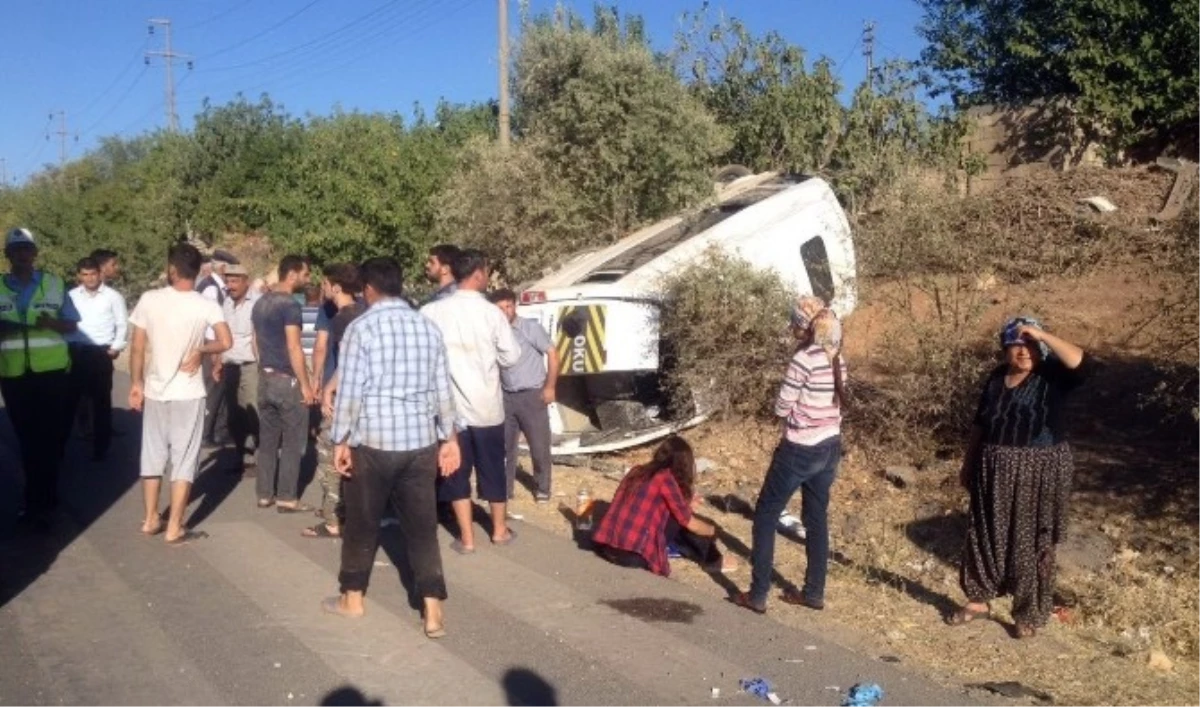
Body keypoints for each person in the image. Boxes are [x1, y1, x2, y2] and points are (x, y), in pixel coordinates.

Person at [324, 256, 460, 640]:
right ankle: (432, 610)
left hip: (373, 443)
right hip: (420, 444)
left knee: (362, 524)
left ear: (367, 289)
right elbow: (442, 390)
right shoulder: (427, 328)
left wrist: (341, 440)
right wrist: (449, 438)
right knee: (421, 529)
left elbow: (350, 392)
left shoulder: (360, 329)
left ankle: (353, 599)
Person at [948, 317, 1090, 638]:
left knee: (1029, 541)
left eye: (1031, 346)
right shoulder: (997, 378)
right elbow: (980, 424)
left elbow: (1079, 360)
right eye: (1017, 345)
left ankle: (1028, 612)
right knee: (984, 533)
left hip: (1039, 469)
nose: (1024, 352)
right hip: (993, 465)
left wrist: (1040, 333)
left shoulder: (1052, 375)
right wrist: (968, 463)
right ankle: (978, 600)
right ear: (1005, 349)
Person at [734, 296, 846, 614]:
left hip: (799, 447)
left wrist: (786, 409)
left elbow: (782, 405)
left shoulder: (803, 359)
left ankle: (757, 595)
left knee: (766, 514)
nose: (792, 328)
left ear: (804, 325)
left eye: (794, 322)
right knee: (816, 519)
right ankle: (813, 593)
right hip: (830, 446)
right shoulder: (836, 356)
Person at [128, 242, 231, 544]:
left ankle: (150, 519)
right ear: (199, 271)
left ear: (172, 269)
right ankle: (174, 526)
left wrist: (136, 384)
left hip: (156, 390)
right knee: (184, 459)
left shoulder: (149, 299)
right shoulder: (205, 305)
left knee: (152, 456)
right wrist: (202, 349)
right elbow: (224, 341)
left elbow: (137, 347)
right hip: (188, 392)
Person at [421, 249, 521, 552]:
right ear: (478, 273)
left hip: (449, 411)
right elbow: (511, 357)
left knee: (455, 471)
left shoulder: (431, 312)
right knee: (493, 468)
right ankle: (499, 530)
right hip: (487, 407)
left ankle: (466, 538)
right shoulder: (492, 313)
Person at [0, 228, 80, 528]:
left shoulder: (54, 283)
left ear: (34, 254)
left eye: (26, 249)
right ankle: (40, 499)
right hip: (13, 374)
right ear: (8, 255)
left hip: (51, 373)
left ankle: (41, 501)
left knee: (48, 439)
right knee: (28, 440)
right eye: (16, 249)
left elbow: (72, 325)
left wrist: (52, 323)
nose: (22, 254)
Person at [592, 436, 735, 576]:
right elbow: (690, 523)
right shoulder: (665, 479)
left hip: (607, 546)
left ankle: (700, 554)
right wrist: (713, 531)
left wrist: (686, 505)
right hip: (634, 554)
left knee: (678, 517)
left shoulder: (636, 470)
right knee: (690, 522)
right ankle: (713, 559)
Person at [304, 263, 366, 539]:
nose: (322, 288)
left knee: (330, 453)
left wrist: (326, 385)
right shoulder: (365, 312)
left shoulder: (343, 318)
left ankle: (333, 519)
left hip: (343, 397)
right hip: (364, 398)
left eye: (326, 283)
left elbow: (349, 363)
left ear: (336, 286)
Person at [251, 255, 316, 512]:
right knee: (292, 440)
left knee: (267, 439)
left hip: (265, 377)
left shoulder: (260, 303)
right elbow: (294, 346)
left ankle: (264, 493)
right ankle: (287, 496)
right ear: (292, 274)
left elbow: (255, 341)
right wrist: (305, 384)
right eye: (306, 274)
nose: (308, 279)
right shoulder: (290, 305)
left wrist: (263, 365)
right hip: (286, 379)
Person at [490, 288, 560, 502]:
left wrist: (550, 386)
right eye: (500, 308)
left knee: (539, 446)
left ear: (515, 306)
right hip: (506, 397)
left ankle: (542, 488)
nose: (505, 311)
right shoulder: (493, 333)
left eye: (508, 306)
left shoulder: (530, 328)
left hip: (532, 395)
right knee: (504, 448)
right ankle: (505, 489)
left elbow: (553, 354)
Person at [66, 256, 128, 461]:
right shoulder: (71, 296)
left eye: (93, 273)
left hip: (101, 353)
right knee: (71, 401)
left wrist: (116, 346)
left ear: (99, 274)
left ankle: (101, 448)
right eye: (85, 274)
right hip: (76, 352)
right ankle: (62, 449)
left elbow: (122, 324)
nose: (90, 278)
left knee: (101, 402)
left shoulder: (112, 297)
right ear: (79, 276)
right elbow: (65, 322)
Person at [218, 264, 259, 474]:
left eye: (234, 281)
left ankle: (258, 453)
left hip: (251, 364)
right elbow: (220, 336)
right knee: (234, 413)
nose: (230, 286)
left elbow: (258, 335)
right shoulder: (226, 303)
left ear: (246, 282)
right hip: (230, 365)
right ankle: (242, 454)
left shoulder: (257, 302)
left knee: (253, 409)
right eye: (227, 281)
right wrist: (217, 361)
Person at [197, 250, 237, 446]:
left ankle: (219, 432)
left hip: (215, 346)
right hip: (211, 347)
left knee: (220, 389)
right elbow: (210, 324)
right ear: (223, 268)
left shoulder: (217, 287)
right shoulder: (211, 289)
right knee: (213, 389)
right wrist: (215, 352)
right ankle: (205, 433)